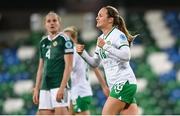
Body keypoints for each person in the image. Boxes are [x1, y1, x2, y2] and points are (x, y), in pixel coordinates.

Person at [76, 6, 138, 115]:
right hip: (116, 85)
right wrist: (83, 54)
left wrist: (106, 47)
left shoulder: (118, 35)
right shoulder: (101, 39)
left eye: (100, 15)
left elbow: (126, 55)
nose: (96, 18)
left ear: (110, 19)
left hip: (124, 82)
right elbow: (95, 63)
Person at [32, 11, 73, 115]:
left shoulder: (65, 39)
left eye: (54, 20)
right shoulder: (43, 42)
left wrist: (62, 87)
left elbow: (68, 66)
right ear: (45, 25)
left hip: (58, 84)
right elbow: (40, 68)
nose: (52, 23)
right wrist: (37, 88)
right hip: (45, 86)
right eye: (48, 21)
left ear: (59, 23)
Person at [63, 26, 109, 115]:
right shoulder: (80, 51)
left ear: (74, 39)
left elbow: (68, 69)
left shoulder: (73, 52)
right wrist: (104, 86)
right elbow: (95, 68)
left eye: (67, 38)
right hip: (77, 92)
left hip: (80, 92)